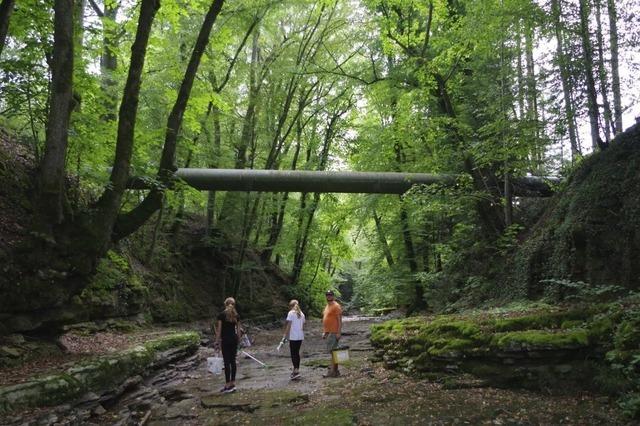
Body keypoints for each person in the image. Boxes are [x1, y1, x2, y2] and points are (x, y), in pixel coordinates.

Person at [215, 297, 242, 393]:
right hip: (234, 339)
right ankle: (233, 383)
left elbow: (219, 330)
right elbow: (238, 330)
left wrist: (217, 342)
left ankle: (227, 385)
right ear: (234, 304)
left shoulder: (221, 315)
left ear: (225, 304)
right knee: (233, 361)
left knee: (226, 362)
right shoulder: (236, 315)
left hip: (225, 340)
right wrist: (239, 340)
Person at [281, 299, 305, 379]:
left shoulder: (291, 313)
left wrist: (285, 335)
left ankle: (296, 371)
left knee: (293, 354)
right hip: (300, 336)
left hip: (293, 337)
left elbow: (288, 325)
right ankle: (296, 370)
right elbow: (303, 325)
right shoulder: (302, 314)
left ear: (291, 306)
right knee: (297, 353)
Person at [322, 290, 342, 378]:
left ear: (333, 296)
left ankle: (331, 372)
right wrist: (325, 332)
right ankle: (336, 371)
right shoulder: (327, 306)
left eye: (330, 295)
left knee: (333, 352)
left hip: (334, 332)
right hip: (329, 332)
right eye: (327, 295)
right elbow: (327, 319)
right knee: (333, 352)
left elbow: (339, 320)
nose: (329, 296)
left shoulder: (336, 306)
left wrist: (338, 332)